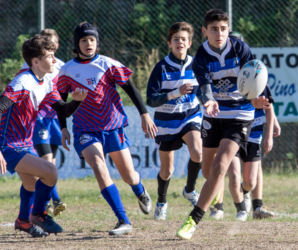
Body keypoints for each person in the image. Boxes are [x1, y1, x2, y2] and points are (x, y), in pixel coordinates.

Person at [176, 9, 269, 240]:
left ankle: (192, 221)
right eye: (214, 29)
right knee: (208, 172)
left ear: (228, 30)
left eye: (224, 29)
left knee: (218, 166)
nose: (220, 33)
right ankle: (227, 184)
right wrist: (208, 101)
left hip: (240, 115)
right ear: (205, 31)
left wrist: (256, 99)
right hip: (214, 114)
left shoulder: (240, 49)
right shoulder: (201, 56)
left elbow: (255, 79)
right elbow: (205, 87)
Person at [57, 22, 157, 235]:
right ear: (77, 44)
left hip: (112, 127)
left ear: (97, 42)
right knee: (99, 167)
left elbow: (130, 88)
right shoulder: (66, 70)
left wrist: (144, 114)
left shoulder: (108, 64)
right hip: (85, 130)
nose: (88, 44)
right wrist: (63, 128)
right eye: (83, 40)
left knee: (129, 176)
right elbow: (61, 102)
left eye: (92, 40)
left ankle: (140, 190)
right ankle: (123, 221)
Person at [0, 34, 88, 237]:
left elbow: (63, 110)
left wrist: (77, 100)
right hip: (8, 145)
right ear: (36, 61)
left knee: (31, 183)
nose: (54, 60)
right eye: (50, 56)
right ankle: (39, 214)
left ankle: (23, 221)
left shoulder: (44, 82)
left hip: (22, 143)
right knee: (50, 172)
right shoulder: (23, 82)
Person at [208, 31, 278, 221]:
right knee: (231, 172)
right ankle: (235, 209)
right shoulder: (222, 75)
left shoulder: (255, 76)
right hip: (233, 130)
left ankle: (247, 196)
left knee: (249, 180)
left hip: (253, 134)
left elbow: (268, 104)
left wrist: (271, 131)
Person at [146, 22, 203, 220]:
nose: (180, 42)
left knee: (197, 151)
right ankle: (161, 202)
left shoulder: (197, 64)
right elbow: (151, 100)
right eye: (176, 39)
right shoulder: (161, 68)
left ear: (190, 43)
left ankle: (190, 189)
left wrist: (210, 101)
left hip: (190, 116)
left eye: (184, 39)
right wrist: (173, 94)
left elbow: (204, 91)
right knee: (167, 170)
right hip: (166, 122)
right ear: (169, 43)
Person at [19, 29, 66, 217]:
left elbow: (62, 97)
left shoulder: (61, 66)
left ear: (57, 45)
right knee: (46, 164)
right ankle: (53, 202)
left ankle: (45, 204)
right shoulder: (29, 69)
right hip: (38, 119)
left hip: (53, 118)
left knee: (51, 164)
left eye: (52, 43)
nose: (50, 46)